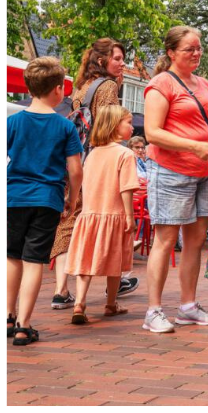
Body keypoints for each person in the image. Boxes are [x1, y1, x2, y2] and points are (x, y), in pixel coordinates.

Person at [142, 25, 208, 333]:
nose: (197, 54)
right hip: (171, 171)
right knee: (166, 239)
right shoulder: (161, 84)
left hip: (204, 174)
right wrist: (194, 146)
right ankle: (153, 311)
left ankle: (187, 306)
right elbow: (152, 133)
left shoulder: (204, 85)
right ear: (171, 53)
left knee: (195, 242)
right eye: (189, 49)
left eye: (199, 48)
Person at [51, 38, 138, 310]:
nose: (122, 63)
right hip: (98, 158)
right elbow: (108, 122)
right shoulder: (108, 86)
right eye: (117, 59)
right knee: (102, 222)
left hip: (74, 160)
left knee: (69, 222)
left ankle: (61, 290)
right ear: (102, 61)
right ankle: (115, 278)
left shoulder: (81, 87)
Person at [7, 57, 84, 345]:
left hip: (13, 197)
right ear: (57, 90)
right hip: (47, 199)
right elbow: (76, 171)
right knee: (34, 260)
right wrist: (71, 199)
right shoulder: (64, 127)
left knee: (12, 257)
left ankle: (8, 316)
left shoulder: (11, 122)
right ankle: (25, 326)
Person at [65, 105, 139, 324]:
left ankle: (79, 302)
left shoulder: (92, 154)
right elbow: (126, 188)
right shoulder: (125, 154)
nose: (132, 127)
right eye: (128, 122)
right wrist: (130, 216)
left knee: (85, 261)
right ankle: (110, 304)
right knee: (115, 261)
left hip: (90, 215)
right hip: (114, 214)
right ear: (115, 127)